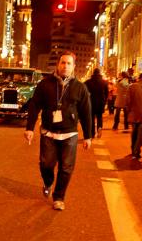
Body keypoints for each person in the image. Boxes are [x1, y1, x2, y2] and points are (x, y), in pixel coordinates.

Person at [24, 51, 92, 211]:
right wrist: (29, 128)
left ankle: (59, 197)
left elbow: (86, 112)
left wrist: (88, 136)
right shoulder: (45, 84)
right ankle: (48, 182)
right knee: (46, 164)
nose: (65, 66)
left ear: (74, 67)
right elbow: (34, 105)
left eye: (69, 63)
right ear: (58, 64)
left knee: (66, 167)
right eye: (63, 62)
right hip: (49, 132)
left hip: (70, 134)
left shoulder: (80, 87)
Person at [84, 68, 109, 138]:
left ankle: (92, 133)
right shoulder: (104, 82)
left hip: (91, 102)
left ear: (93, 73)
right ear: (100, 73)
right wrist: (104, 101)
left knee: (91, 118)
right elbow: (107, 93)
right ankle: (99, 128)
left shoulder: (88, 82)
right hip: (101, 102)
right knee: (99, 117)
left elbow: (84, 92)